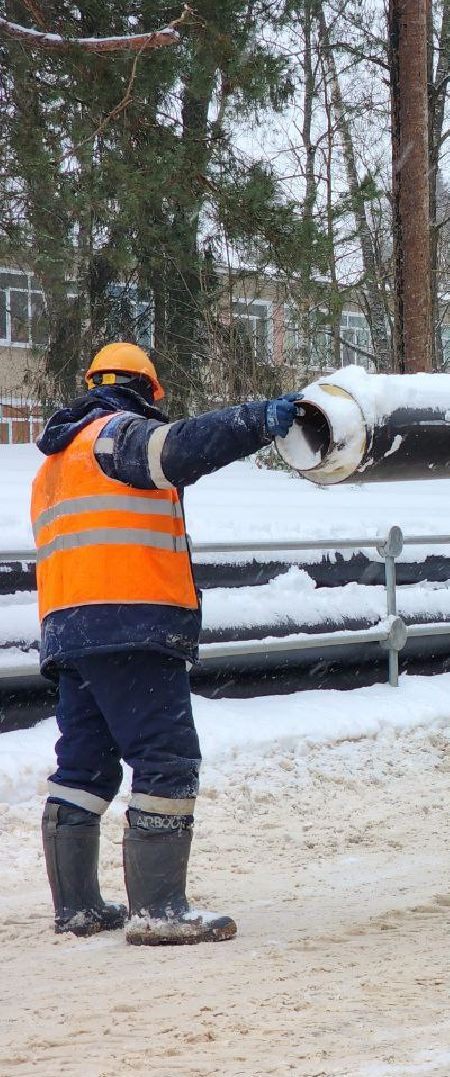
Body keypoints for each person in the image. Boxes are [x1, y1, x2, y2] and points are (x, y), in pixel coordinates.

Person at [32, 342, 301, 946]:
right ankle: (158, 911)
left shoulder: (53, 463)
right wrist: (256, 420)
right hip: (131, 627)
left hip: (70, 633)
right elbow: (177, 448)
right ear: (149, 392)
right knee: (166, 758)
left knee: (83, 767)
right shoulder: (114, 434)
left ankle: (78, 909)